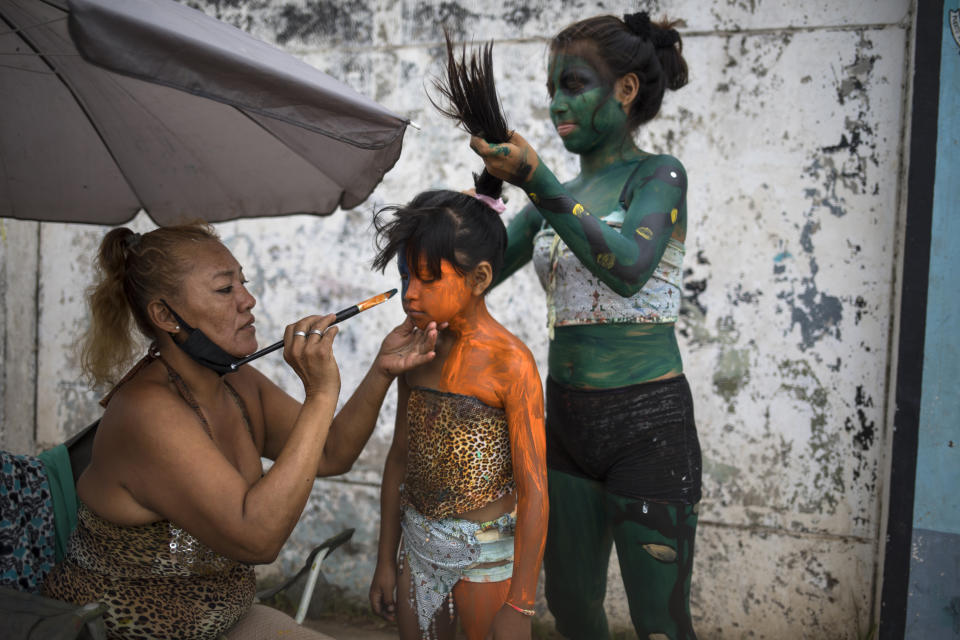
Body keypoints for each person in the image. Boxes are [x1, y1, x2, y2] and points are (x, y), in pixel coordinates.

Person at [42, 221, 442, 640]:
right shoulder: (146, 411)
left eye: (243, 284)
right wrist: (320, 394)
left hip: (226, 620)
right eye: (224, 289)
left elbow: (332, 453)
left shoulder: (236, 383)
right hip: (128, 630)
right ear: (164, 315)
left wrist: (380, 370)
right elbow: (257, 540)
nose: (248, 300)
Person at [469, 11, 702, 640]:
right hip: (566, 423)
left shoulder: (658, 176)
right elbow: (477, 264)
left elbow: (627, 267)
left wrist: (539, 182)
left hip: (648, 427)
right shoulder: (557, 194)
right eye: (551, 90)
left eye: (573, 85)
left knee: (659, 620)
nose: (556, 104)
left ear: (625, 91)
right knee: (571, 606)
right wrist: (492, 181)